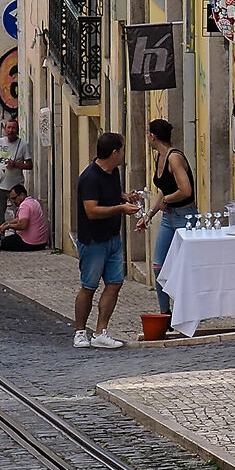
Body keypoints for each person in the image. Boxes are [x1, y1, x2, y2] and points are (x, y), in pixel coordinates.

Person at [72, 131, 142, 349]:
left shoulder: (113, 172)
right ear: (114, 153)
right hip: (93, 241)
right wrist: (121, 208)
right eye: (121, 150)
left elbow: (110, 194)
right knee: (89, 286)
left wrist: (123, 197)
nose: (123, 154)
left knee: (114, 283)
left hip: (113, 238)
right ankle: (80, 332)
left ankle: (101, 331)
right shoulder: (89, 178)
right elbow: (91, 210)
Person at [144, 117, 194, 314]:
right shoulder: (159, 157)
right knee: (159, 265)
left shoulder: (174, 158)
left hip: (185, 216)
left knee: (185, 268)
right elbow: (163, 190)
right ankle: (165, 312)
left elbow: (185, 190)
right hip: (168, 218)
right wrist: (149, 214)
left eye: (148, 134)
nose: (147, 138)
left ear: (153, 136)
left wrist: (167, 201)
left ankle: (186, 311)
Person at [0, 112, 32, 232]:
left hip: (16, 187)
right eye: (8, 128)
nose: (11, 130)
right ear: (5, 129)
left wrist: (16, 165)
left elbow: (29, 165)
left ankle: (17, 235)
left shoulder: (23, 145)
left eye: (13, 128)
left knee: (18, 213)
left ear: (17, 130)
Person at [0, 183, 50, 252]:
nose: (13, 201)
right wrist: (6, 223)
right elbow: (21, 218)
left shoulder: (24, 206)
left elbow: (22, 225)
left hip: (30, 243)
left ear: (22, 195)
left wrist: (8, 226)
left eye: (14, 198)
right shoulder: (33, 202)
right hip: (42, 242)